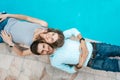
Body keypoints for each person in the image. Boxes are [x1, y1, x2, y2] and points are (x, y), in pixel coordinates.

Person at [30, 28, 120, 73]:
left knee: (118, 50)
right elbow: (70, 70)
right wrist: (79, 65)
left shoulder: (58, 40)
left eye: (44, 46)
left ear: (44, 42)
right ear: (41, 54)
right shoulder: (54, 62)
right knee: (117, 66)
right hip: (93, 62)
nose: (46, 49)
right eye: (42, 51)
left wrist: (82, 41)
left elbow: (73, 30)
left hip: (96, 47)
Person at [0, 13, 64, 56]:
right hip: (7, 21)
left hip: (3, 35)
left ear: (50, 43)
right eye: (53, 34)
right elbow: (27, 18)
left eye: (52, 39)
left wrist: (10, 43)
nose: (50, 36)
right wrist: (8, 15)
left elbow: (22, 53)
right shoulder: (43, 24)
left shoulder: (38, 46)